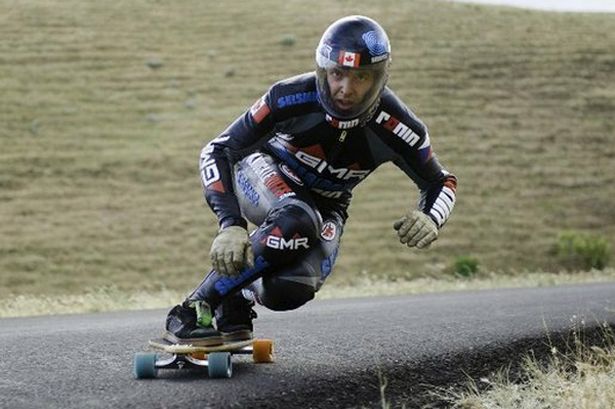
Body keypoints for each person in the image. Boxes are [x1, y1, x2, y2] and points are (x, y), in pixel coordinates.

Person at [163, 15, 458, 346]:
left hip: (329, 205)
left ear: (380, 78)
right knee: (298, 219)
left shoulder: (399, 126)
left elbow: (441, 181)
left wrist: (431, 217)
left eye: (361, 77)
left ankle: (235, 297)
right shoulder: (288, 97)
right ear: (323, 70)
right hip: (263, 173)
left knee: (291, 287)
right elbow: (218, 149)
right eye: (338, 74)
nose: (346, 89)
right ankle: (191, 310)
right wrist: (230, 224)